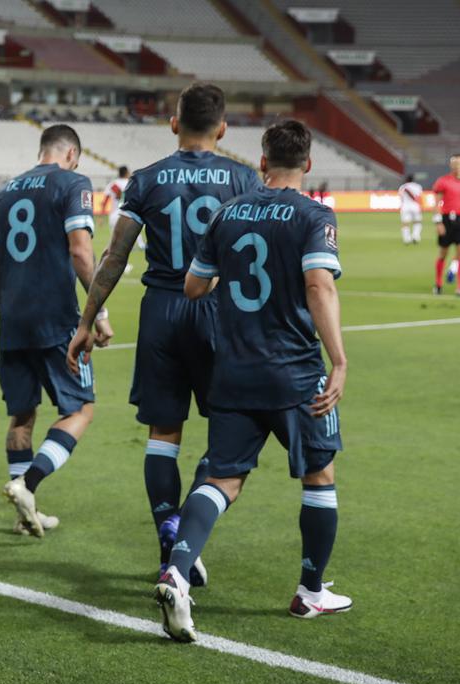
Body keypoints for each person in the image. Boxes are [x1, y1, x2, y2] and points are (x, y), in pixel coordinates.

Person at [157, 119, 351, 642]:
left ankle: (176, 571)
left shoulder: (226, 214)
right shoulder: (315, 215)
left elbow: (194, 287)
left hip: (234, 371)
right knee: (318, 476)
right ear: (307, 164)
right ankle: (310, 593)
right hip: (295, 373)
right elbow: (318, 284)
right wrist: (339, 359)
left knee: (221, 480)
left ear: (262, 163)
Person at [68, 82, 261, 580]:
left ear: (174, 124)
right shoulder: (244, 179)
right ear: (222, 127)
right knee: (227, 433)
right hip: (219, 312)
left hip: (162, 312)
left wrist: (86, 321)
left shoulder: (148, 179)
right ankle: (186, 539)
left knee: (163, 433)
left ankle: (168, 533)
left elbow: (113, 257)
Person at [0, 125, 112, 537]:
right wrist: (99, 314)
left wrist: (7, 310)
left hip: (12, 319)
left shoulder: (3, 192)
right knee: (80, 409)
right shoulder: (73, 182)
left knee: (22, 416)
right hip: (56, 319)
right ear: (72, 153)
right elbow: (80, 250)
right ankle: (28, 484)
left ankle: (27, 516)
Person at [431, 154, 460, 294]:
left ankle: (459, 287)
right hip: (447, 220)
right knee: (443, 253)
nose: (456, 166)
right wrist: (438, 222)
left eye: (458, 163)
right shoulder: (443, 181)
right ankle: (438, 283)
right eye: (454, 163)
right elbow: (437, 203)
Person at [397, 174, 422, 245]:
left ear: (406, 179)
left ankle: (406, 239)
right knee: (417, 222)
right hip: (415, 206)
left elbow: (401, 197)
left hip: (405, 206)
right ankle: (415, 236)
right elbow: (419, 196)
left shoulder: (403, 187)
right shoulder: (418, 186)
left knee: (405, 223)